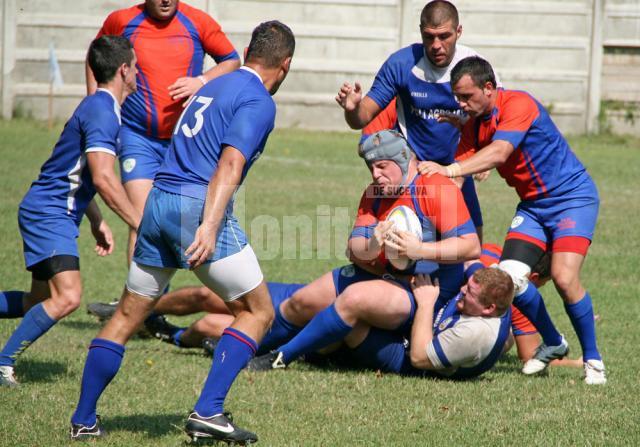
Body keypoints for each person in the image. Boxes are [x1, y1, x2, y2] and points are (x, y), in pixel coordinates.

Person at [69, 21, 295, 443]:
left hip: (158, 202)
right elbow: (229, 163)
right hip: (196, 207)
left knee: (125, 316)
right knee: (258, 311)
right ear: (284, 66)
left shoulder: (212, 86)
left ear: (248, 51)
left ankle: (83, 419)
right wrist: (209, 225)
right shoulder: (258, 99)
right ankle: (208, 412)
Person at [418, 56, 606, 384]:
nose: (461, 104)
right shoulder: (473, 126)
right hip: (533, 207)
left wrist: (450, 168)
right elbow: (458, 179)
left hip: (572, 199)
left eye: (466, 97)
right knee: (510, 281)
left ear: (489, 88)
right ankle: (553, 341)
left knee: (563, 278)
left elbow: (500, 151)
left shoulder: (519, 104)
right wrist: (427, 198)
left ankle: (593, 360)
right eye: (457, 98)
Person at [249, 129, 480, 370]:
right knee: (302, 300)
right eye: (371, 168)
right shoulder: (375, 192)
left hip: (425, 289)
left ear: (402, 159)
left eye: (381, 166)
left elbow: (470, 245)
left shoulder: (435, 187)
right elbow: (354, 250)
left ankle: (281, 358)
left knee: (354, 298)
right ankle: (249, 348)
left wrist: (419, 249)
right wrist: (372, 245)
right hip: (384, 275)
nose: (376, 175)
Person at [0, 36, 140, 387]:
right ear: (123, 70)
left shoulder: (101, 108)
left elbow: (77, 173)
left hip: (50, 210)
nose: (137, 72)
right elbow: (105, 179)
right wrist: (140, 223)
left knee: (39, 299)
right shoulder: (102, 111)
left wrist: (96, 221)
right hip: (49, 214)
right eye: (135, 66)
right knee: (68, 297)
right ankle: (3, 364)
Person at [88, 0, 241, 264]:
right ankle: (137, 301)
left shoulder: (198, 22)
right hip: (137, 138)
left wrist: (201, 81)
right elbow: (95, 54)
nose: (166, 1)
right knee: (142, 218)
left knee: (185, 219)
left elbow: (232, 60)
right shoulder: (122, 21)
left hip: (185, 143)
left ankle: (154, 299)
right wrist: (96, 102)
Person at [336, 0, 496, 240]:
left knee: (471, 247)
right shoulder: (401, 64)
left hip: (457, 169)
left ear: (459, 32)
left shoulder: (475, 67)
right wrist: (352, 108)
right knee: (409, 249)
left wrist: (479, 161)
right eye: (429, 37)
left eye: (445, 36)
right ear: (421, 31)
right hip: (413, 172)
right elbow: (362, 118)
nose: (436, 45)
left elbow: (495, 119)